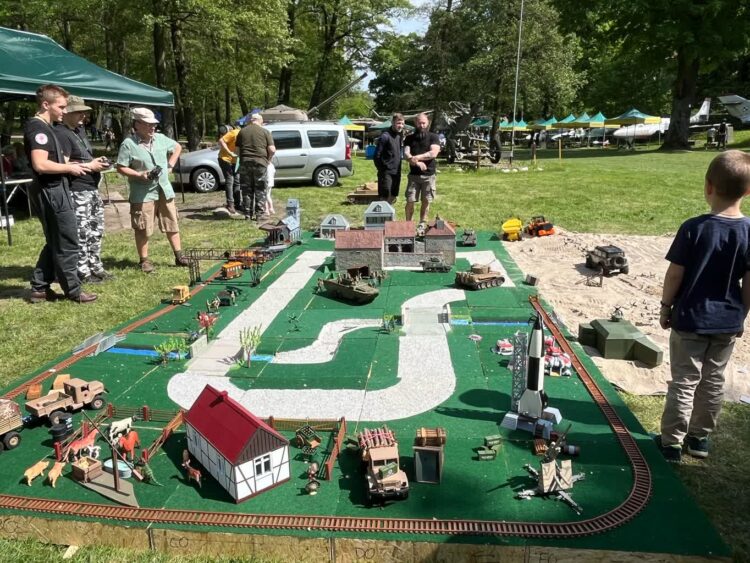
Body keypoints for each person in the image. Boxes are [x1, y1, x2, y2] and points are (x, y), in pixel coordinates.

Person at [655, 150, 750, 463]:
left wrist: (665, 306)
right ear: (748, 191)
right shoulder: (748, 231)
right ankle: (699, 438)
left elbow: (675, 274)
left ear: (708, 186)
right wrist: (742, 315)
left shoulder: (693, 228)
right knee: (713, 381)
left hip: (691, 319)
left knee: (684, 381)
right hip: (727, 322)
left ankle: (671, 443)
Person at [24, 84, 97, 303]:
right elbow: (40, 164)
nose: (65, 111)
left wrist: (77, 165)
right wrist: (69, 168)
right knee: (67, 239)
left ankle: (39, 287)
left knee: (55, 240)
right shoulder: (38, 129)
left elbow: (53, 160)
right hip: (51, 190)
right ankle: (73, 290)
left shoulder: (47, 127)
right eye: (61, 107)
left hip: (55, 188)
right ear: (46, 104)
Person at [116, 107, 188, 273]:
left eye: (153, 124)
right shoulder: (128, 144)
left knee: (172, 222)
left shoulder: (161, 139)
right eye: (148, 124)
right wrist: (139, 174)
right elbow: (120, 167)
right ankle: (144, 261)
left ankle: (179, 256)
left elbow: (177, 147)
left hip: (164, 190)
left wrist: (170, 165)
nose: (152, 127)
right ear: (137, 124)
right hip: (143, 193)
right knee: (143, 227)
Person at [56, 95, 113, 283]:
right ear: (67, 113)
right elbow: (64, 164)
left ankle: (95, 266)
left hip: (91, 187)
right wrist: (90, 166)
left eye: (84, 112)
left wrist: (97, 161)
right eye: (78, 112)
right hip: (77, 189)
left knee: (96, 230)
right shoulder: (61, 133)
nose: (83, 115)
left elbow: (82, 157)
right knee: (82, 232)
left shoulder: (79, 131)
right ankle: (83, 272)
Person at [403, 112, 441, 230]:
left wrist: (416, 158)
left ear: (428, 123)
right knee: (410, 200)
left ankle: (422, 223)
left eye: (424, 123)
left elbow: (433, 153)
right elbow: (406, 154)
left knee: (426, 200)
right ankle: (408, 224)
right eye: (419, 123)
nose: (422, 125)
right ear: (415, 123)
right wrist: (417, 162)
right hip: (413, 176)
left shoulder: (433, 137)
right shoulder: (409, 138)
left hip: (429, 176)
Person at [236, 112, 275, 221]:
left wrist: (243, 158)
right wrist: (268, 160)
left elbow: (237, 151)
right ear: (260, 120)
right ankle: (260, 215)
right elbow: (272, 150)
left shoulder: (242, 132)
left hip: (245, 162)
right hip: (260, 163)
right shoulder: (265, 132)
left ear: (250, 120)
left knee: (246, 189)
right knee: (260, 189)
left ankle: (247, 214)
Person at [373, 113, 404, 204]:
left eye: (402, 123)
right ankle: (383, 212)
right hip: (386, 172)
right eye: (398, 123)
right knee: (385, 196)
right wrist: (382, 169)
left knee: (393, 195)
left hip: (397, 172)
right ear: (392, 122)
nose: (400, 126)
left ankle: (390, 212)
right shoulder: (385, 136)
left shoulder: (399, 136)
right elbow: (377, 156)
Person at [217, 121, 242, 214]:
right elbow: (221, 141)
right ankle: (230, 204)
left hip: (236, 161)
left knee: (237, 181)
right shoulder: (234, 133)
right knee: (230, 179)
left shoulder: (247, 135)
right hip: (225, 159)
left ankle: (238, 204)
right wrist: (229, 152)